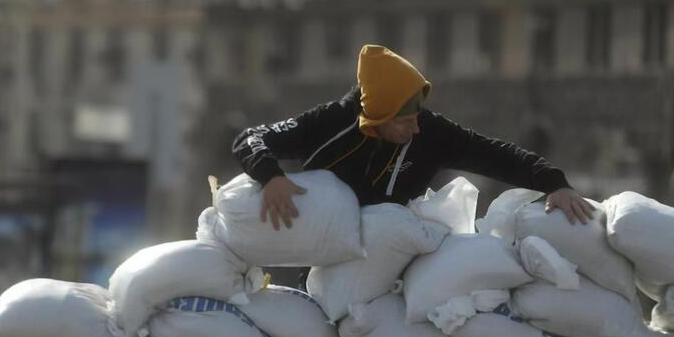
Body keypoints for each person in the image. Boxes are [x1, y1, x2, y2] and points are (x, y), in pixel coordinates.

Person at [232, 44, 594, 230]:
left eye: (417, 115)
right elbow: (251, 139)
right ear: (379, 115)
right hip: (320, 258)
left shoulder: (429, 133)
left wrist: (553, 183)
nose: (415, 127)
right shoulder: (331, 122)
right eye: (404, 119)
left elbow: (495, 154)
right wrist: (271, 178)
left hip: (393, 262)